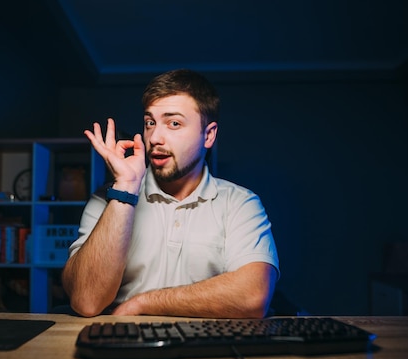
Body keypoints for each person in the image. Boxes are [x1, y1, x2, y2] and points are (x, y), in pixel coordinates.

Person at [61, 68, 279, 318]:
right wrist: (125, 188)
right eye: (150, 123)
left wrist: (141, 304)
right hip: (120, 345)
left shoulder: (240, 203)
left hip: (204, 350)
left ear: (208, 135)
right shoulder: (109, 198)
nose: (155, 137)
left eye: (173, 123)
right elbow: (86, 301)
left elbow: (253, 296)